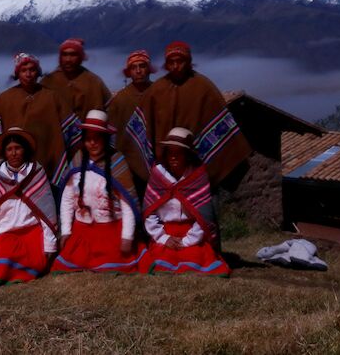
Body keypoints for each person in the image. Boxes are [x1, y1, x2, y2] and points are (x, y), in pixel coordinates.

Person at [124, 41, 251, 186]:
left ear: (188, 62)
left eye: (180, 61)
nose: (175, 66)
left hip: (197, 173)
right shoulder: (156, 91)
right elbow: (139, 129)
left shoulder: (204, 88)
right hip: (164, 174)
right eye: (171, 62)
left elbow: (221, 129)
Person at [51, 110, 147, 274]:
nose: (92, 143)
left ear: (106, 139)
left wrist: (127, 236)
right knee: (67, 264)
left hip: (111, 229)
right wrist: (66, 230)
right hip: (83, 230)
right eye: (88, 139)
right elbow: (67, 198)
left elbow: (127, 205)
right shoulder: (78, 160)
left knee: (113, 263)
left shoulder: (117, 163)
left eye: (97, 138)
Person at [142, 128, 231, 276]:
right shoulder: (158, 176)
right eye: (170, 152)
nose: (173, 157)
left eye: (179, 152)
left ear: (188, 155)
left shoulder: (197, 178)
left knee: (195, 256)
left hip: (192, 234)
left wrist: (188, 241)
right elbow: (149, 212)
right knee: (162, 257)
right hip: (165, 232)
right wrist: (163, 237)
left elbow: (203, 217)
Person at [0, 53, 81, 186]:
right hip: (14, 162)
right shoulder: (4, 99)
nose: (28, 74)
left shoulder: (52, 97)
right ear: (17, 74)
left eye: (32, 70)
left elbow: (72, 129)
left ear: (38, 72)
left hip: (48, 159)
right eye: (24, 70)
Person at [0, 127, 58, 284]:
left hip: (32, 231)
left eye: (18, 148)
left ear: (25, 150)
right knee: (3, 268)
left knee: (38, 262)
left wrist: (50, 245)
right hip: (6, 234)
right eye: (9, 149)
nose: (13, 153)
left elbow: (47, 212)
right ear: (4, 153)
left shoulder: (36, 173)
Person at [107, 49, 156, 191]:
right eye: (134, 67)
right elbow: (113, 134)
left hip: (158, 164)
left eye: (142, 66)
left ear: (149, 69)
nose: (138, 71)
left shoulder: (159, 93)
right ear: (129, 72)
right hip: (128, 164)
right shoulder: (121, 99)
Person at [41, 38, 112, 122]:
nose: (68, 59)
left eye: (73, 55)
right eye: (64, 54)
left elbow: (111, 111)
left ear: (80, 57)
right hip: (56, 133)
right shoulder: (49, 81)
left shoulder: (94, 82)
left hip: (89, 133)